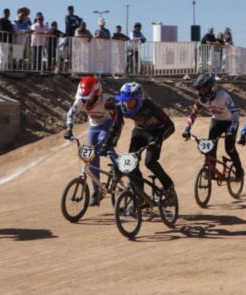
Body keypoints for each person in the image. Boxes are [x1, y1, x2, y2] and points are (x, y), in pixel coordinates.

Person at [105, 82, 175, 199]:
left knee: (150, 162)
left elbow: (170, 126)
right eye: (125, 101)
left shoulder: (149, 106)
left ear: (139, 100)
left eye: (130, 101)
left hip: (156, 132)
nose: (127, 104)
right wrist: (106, 143)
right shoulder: (120, 107)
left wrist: (158, 140)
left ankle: (169, 186)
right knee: (131, 163)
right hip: (140, 131)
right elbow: (116, 126)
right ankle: (139, 195)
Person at [63, 76, 124, 205]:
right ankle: (97, 192)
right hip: (94, 126)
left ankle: (118, 167)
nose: (86, 103)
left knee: (103, 141)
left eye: (89, 99)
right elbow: (70, 113)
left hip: (108, 124)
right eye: (84, 99)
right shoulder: (80, 101)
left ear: (98, 94)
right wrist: (69, 128)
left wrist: (112, 138)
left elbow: (118, 120)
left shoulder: (107, 101)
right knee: (91, 157)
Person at [181, 73, 244, 181]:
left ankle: (239, 171)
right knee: (210, 146)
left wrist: (232, 129)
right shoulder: (201, 100)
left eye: (205, 89)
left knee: (229, 148)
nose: (203, 92)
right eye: (201, 90)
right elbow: (193, 114)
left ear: (212, 88)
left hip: (230, 121)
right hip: (217, 121)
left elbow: (235, 113)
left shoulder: (222, 96)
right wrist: (187, 129)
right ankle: (211, 170)